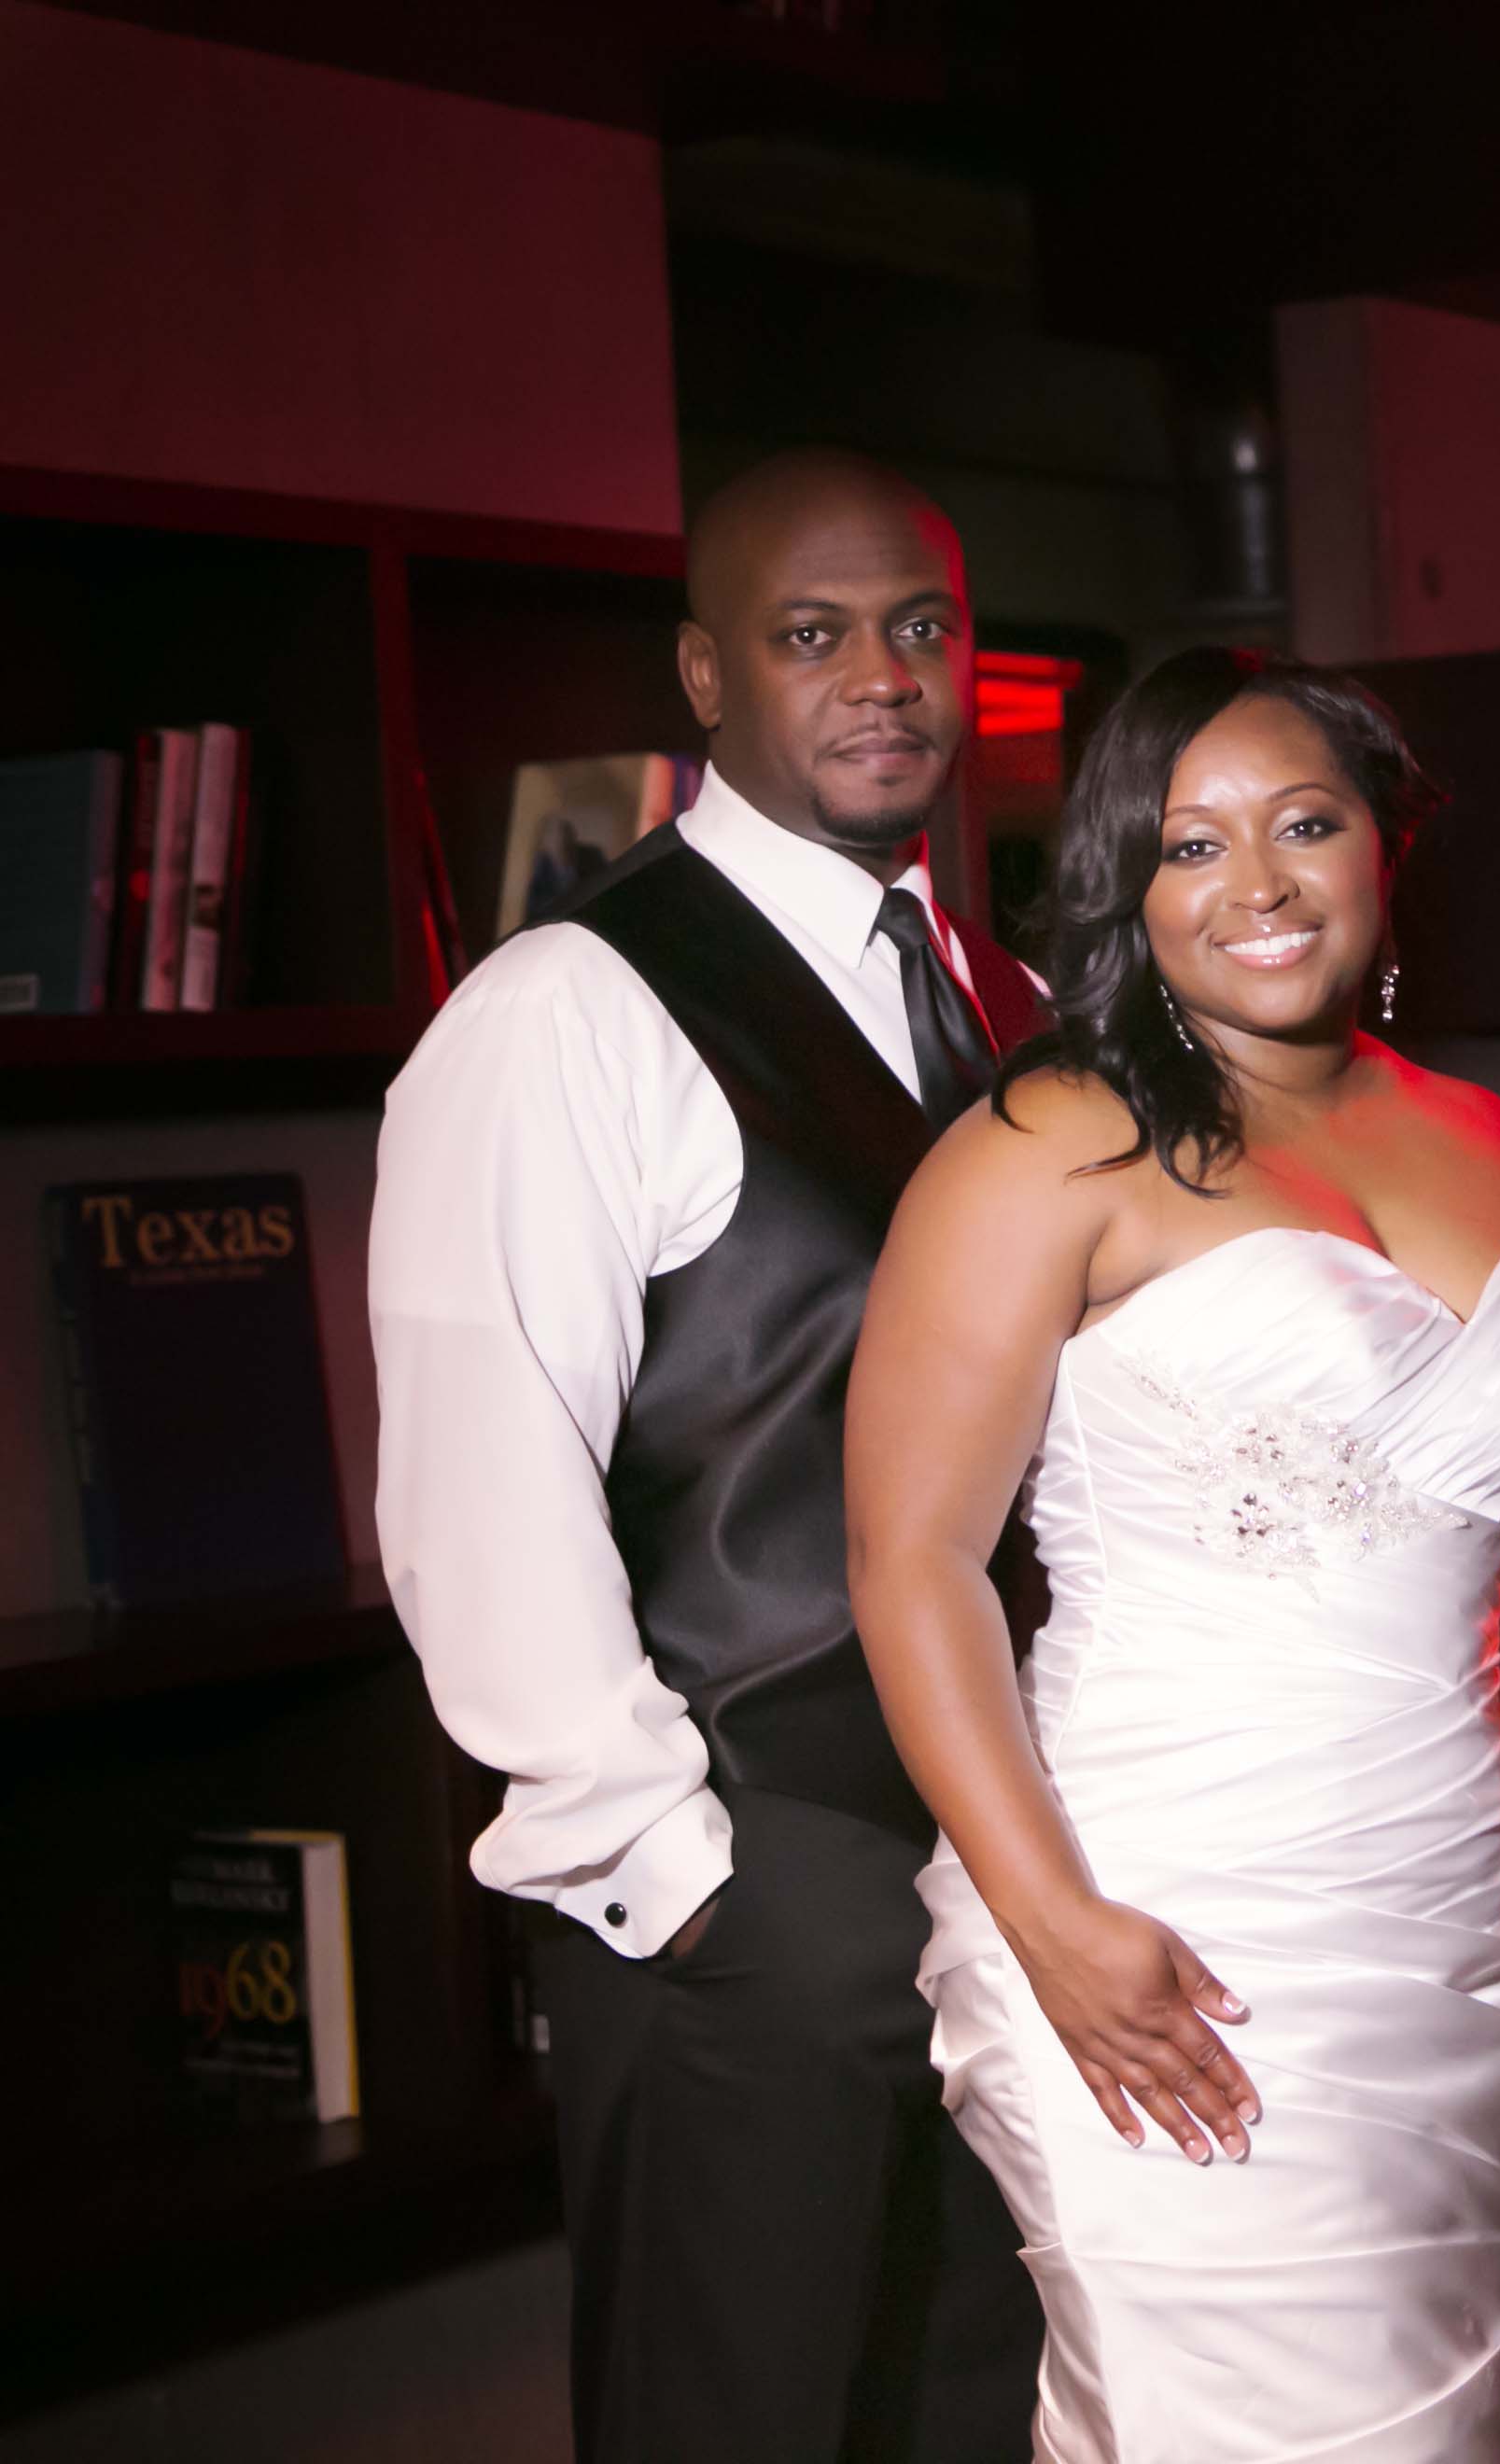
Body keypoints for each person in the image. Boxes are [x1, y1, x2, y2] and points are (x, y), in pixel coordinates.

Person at [846, 648, 1500, 2461]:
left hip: (1458, 1928)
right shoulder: (1045, 1147)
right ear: (1126, 885)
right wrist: (1056, 1926)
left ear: (1386, 846)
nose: (1256, 884)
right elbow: (910, 1561)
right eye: (1191, 845)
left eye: (1304, 825)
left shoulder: (1489, 1140)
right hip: (1162, 1916)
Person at [371, 448, 1045, 2462]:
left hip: (1014, 1889)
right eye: (812, 634)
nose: (882, 679)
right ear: (704, 674)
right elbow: (483, 1484)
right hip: (758, 1886)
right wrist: (687, 1884)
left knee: (974, 2422)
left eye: (920, 630)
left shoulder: (1002, 1002)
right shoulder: (564, 1009)